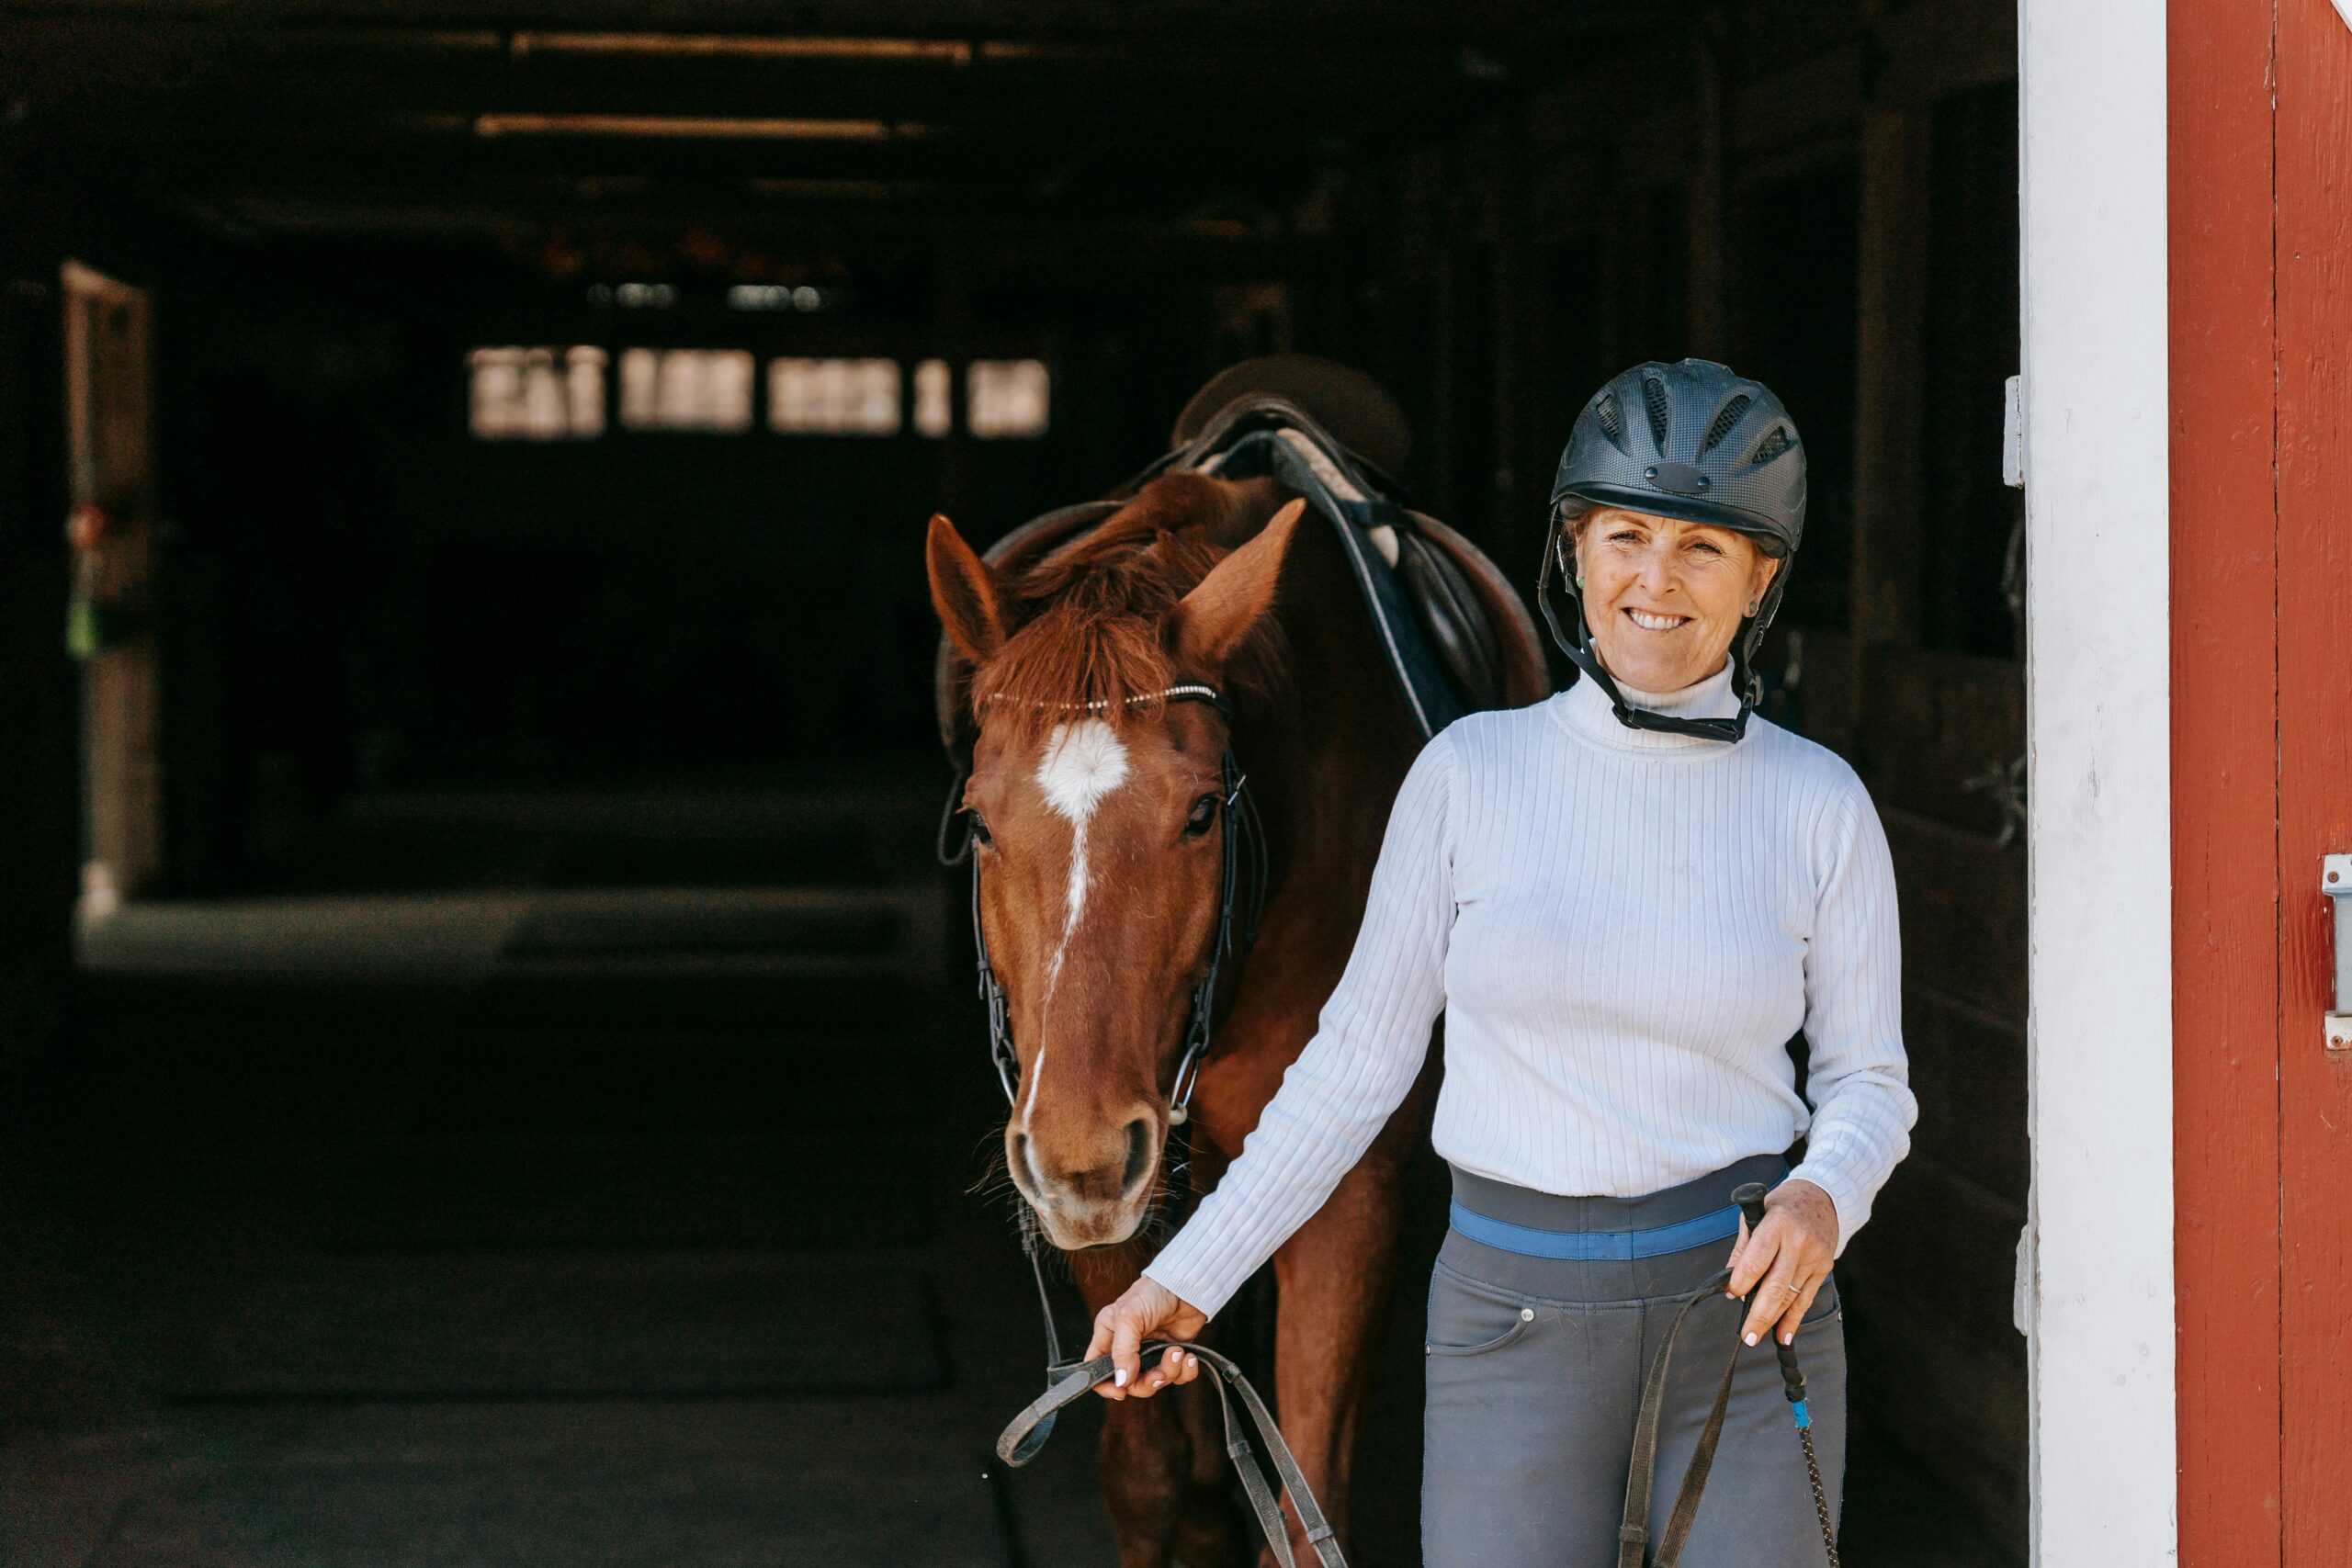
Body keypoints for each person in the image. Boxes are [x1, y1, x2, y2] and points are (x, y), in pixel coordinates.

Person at [1083, 358, 1917, 1567]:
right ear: (1575, 549)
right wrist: (1188, 1277)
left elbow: (1869, 1081)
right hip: (1511, 1318)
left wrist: (1822, 1193)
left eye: (1704, 547)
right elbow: (1354, 1068)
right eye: (1626, 534)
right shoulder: (1469, 775)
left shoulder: (1818, 801)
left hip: (1746, 1312)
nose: (1656, 579)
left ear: (1762, 578)